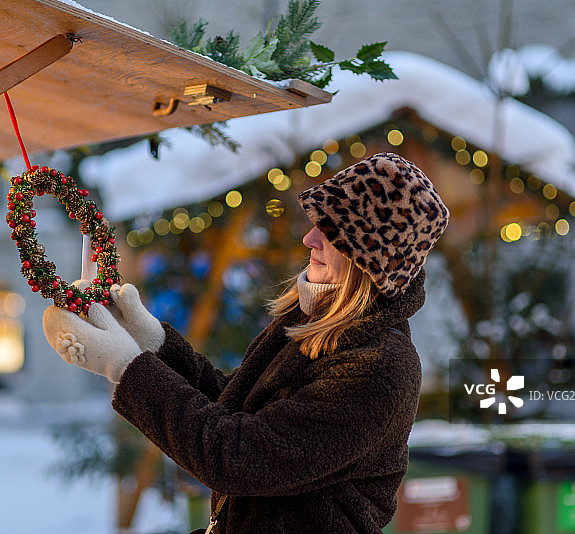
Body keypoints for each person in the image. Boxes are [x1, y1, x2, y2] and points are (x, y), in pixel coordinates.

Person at [43, 152, 449, 533]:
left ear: (370, 257)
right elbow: (235, 406)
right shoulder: (313, 321)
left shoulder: (379, 367)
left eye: (329, 232)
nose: (309, 239)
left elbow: (239, 456)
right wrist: (153, 343)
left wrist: (127, 366)